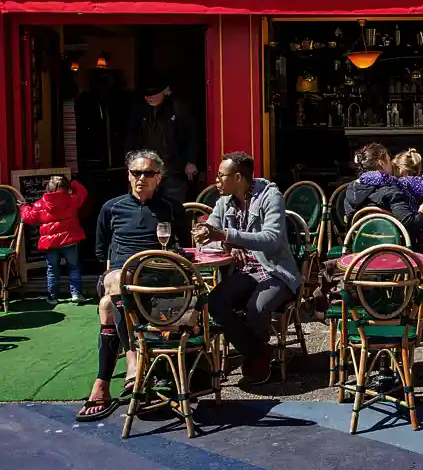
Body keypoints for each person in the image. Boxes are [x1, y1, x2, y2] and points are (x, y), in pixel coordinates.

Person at [77, 149, 187, 422]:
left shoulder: (171, 208)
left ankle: (102, 385)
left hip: (157, 278)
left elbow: (184, 248)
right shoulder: (111, 208)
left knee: (106, 307)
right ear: (128, 176)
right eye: (135, 173)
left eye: (148, 173)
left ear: (158, 177)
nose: (141, 178)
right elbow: (102, 253)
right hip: (119, 277)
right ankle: (133, 358)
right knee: (115, 280)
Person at [198, 152, 300, 386]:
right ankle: (259, 352)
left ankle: (255, 356)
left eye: (220, 175)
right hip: (244, 272)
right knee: (215, 302)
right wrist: (224, 243)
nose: (216, 180)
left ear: (237, 177)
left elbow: (272, 238)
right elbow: (208, 234)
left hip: (276, 271)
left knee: (257, 308)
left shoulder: (270, 196)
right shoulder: (224, 201)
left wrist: (228, 235)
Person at [345, 143, 423, 334]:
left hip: (361, 256)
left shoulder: (351, 189)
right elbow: (409, 225)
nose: (392, 165)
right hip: (396, 255)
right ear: (382, 162)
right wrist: (422, 213)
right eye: (389, 160)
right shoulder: (391, 188)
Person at [125, 74, 199, 203]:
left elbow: (192, 135)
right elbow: (132, 136)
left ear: (165, 92)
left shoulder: (178, 109)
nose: (149, 97)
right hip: (147, 168)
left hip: (173, 168)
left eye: (153, 94)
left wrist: (191, 161)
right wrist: (131, 159)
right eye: (146, 95)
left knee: (174, 205)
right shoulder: (140, 111)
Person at [20, 176, 88, 305]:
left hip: (50, 244)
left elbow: (29, 218)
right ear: (66, 187)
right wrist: (73, 182)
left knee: (52, 269)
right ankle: (76, 293)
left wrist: (24, 207)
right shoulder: (72, 199)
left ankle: (52, 297)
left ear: (48, 188)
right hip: (69, 240)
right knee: (73, 267)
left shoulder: (41, 203)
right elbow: (83, 192)